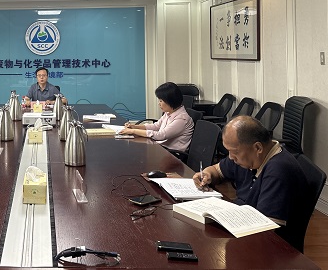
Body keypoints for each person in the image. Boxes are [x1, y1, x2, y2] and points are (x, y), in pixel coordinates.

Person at [193, 115, 307, 246]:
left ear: (258, 148)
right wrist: (207, 174)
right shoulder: (249, 156)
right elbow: (216, 170)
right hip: (243, 227)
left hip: (269, 247)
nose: (231, 157)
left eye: (234, 152)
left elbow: (266, 229)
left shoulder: (279, 170)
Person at [119, 82, 194, 152]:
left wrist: (133, 131)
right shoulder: (169, 112)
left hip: (173, 154)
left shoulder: (182, 119)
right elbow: (156, 126)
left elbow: (161, 135)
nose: (159, 104)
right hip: (162, 148)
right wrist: (134, 127)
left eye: (161, 101)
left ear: (170, 101)